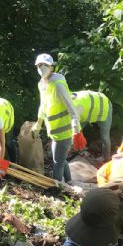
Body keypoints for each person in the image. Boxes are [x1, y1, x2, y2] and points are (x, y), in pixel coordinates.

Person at [32, 53, 82, 182]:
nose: (41, 68)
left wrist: (76, 129)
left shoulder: (58, 84)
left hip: (64, 131)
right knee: (61, 159)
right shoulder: (42, 84)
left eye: (45, 65)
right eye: (39, 65)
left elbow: (71, 107)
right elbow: (43, 105)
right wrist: (38, 123)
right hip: (55, 130)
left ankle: (57, 187)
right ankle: (69, 182)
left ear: (52, 67)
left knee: (57, 162)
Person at [71, 90, 113, 161]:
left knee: (104, 137)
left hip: (104, 107)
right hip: (87, 110)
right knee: (76, 132)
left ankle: (106, 158)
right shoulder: (66, 100)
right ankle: (80, 150)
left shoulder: (75, 108)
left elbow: (74, 128)